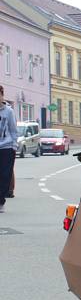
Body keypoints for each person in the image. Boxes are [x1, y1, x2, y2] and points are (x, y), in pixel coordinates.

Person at [0, 84, 18, 213]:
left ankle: (1, 201)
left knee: (5, 176)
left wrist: (14, 146)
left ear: (2, 95)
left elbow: (13, 130)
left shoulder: (8, 111)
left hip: (6, 148)